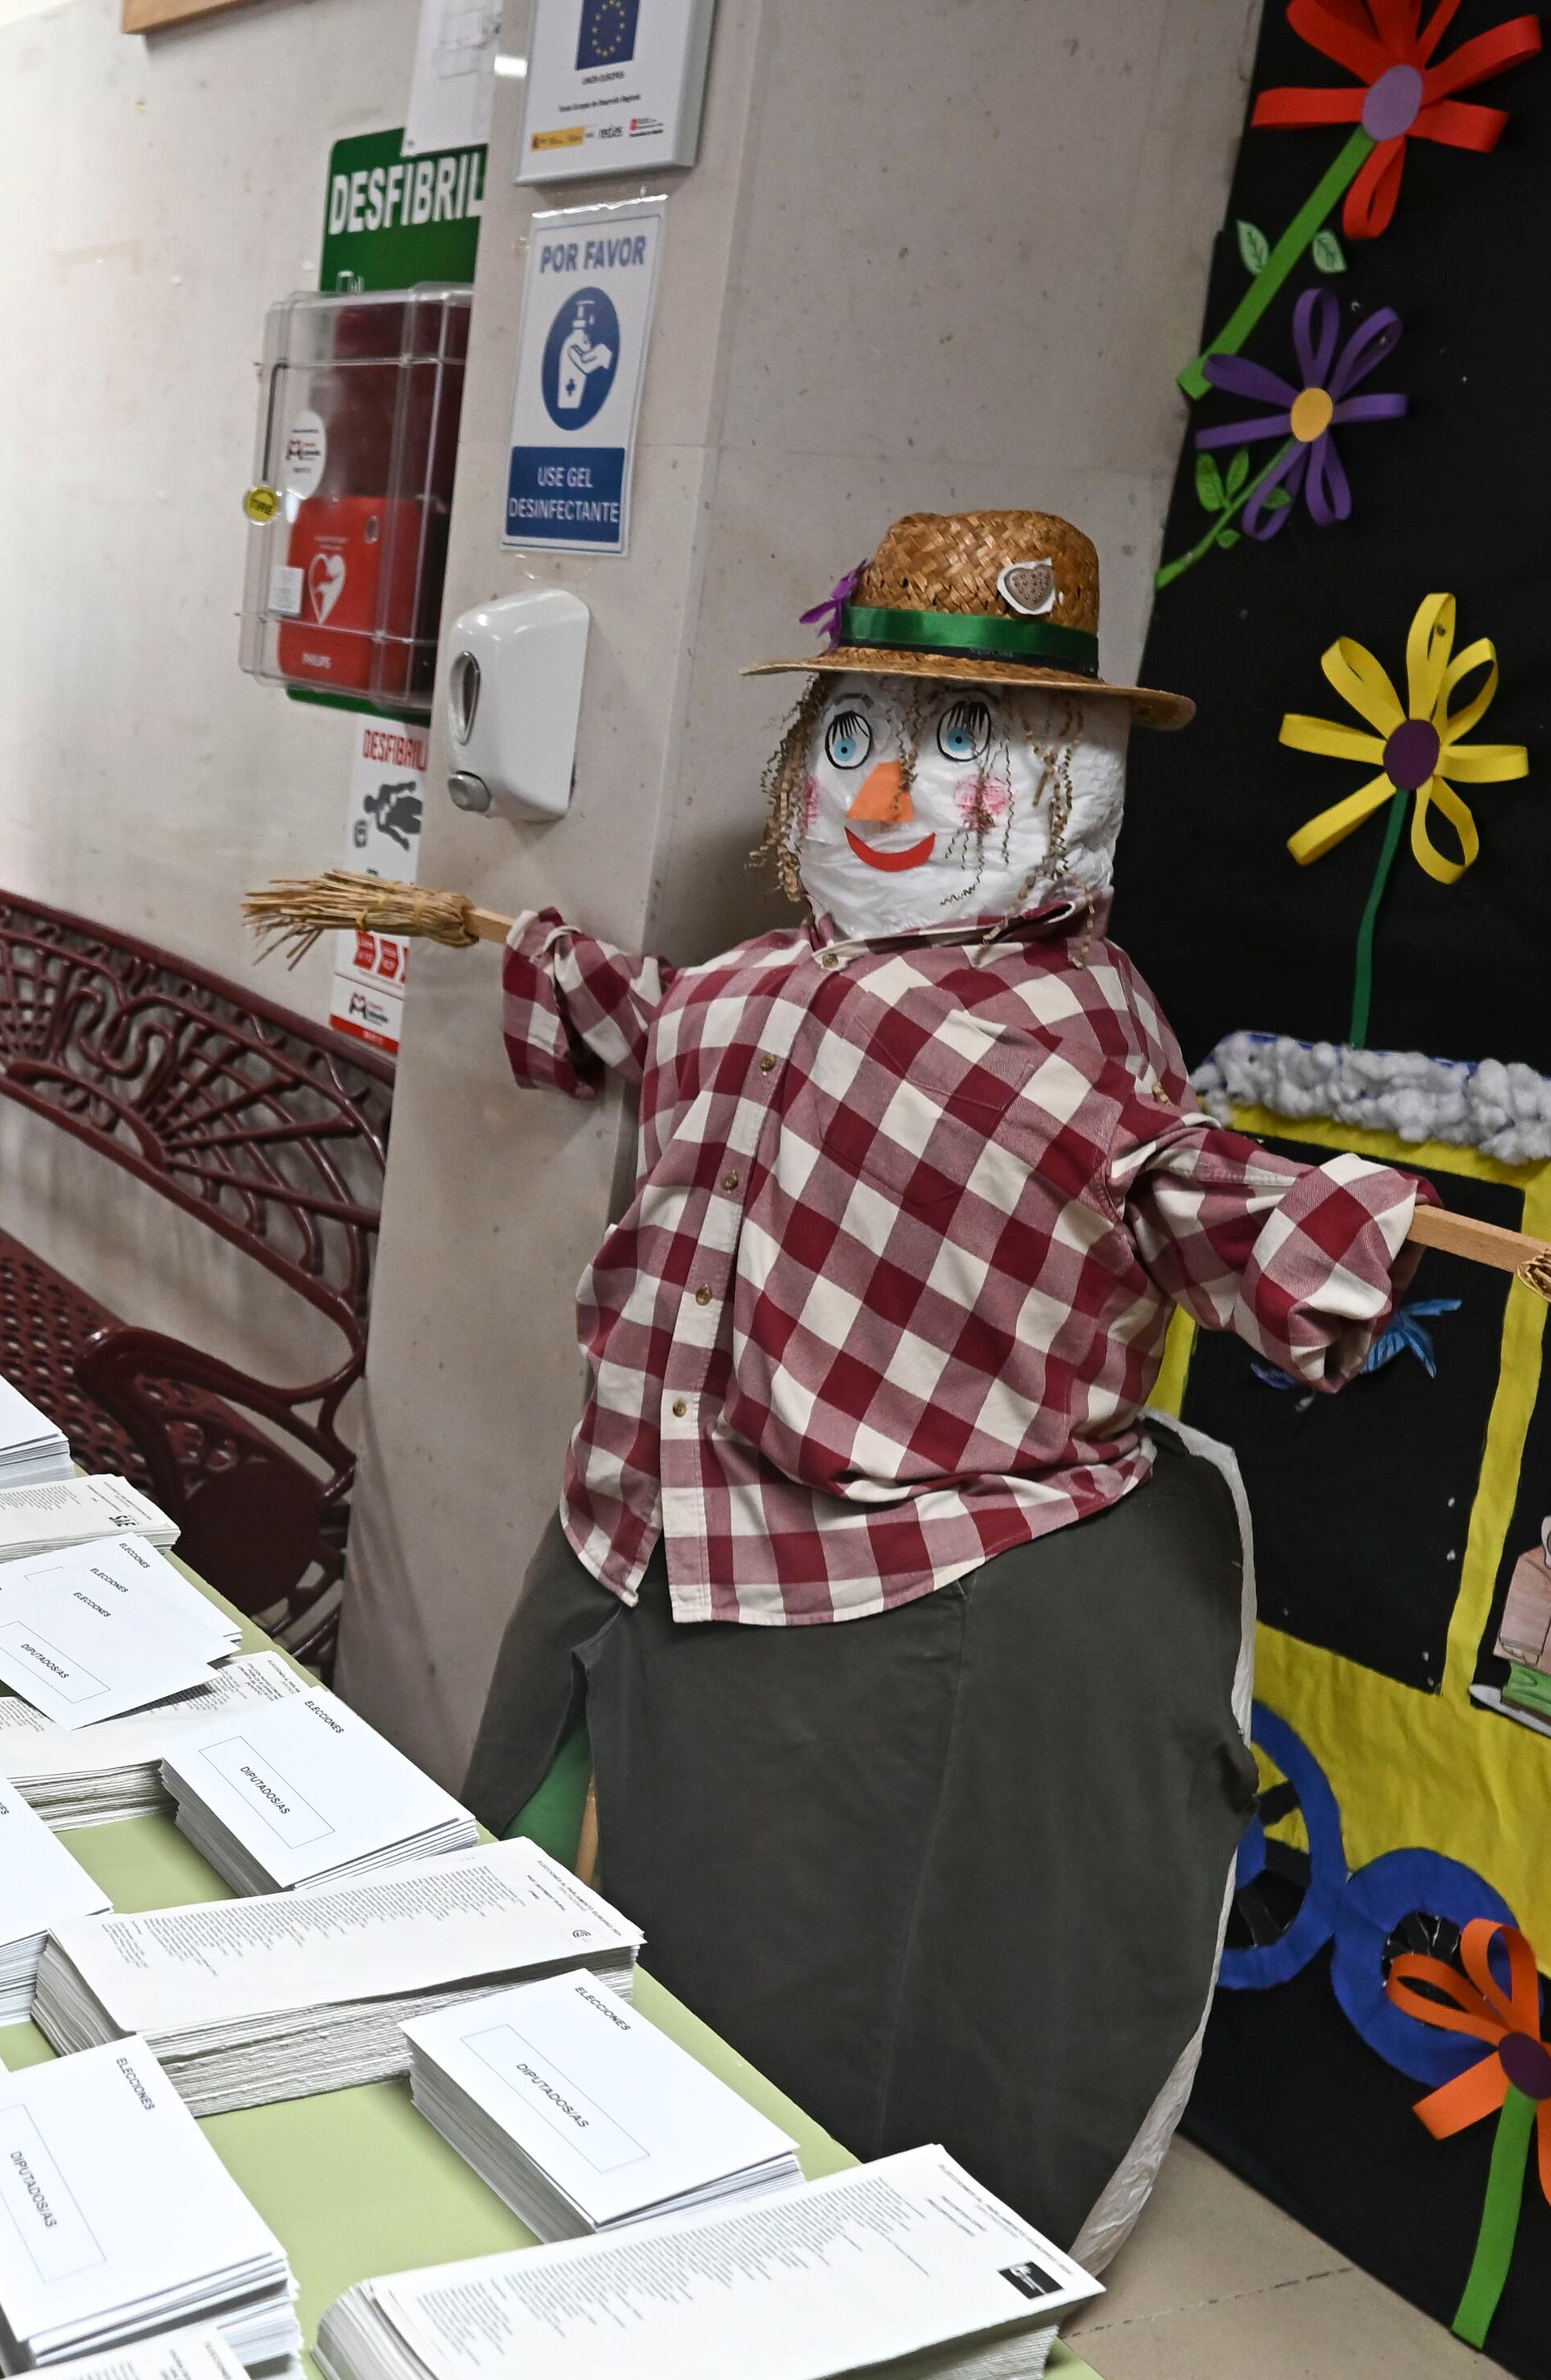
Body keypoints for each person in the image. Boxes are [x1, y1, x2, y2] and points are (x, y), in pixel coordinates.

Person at [434, 512, 1434, 2268]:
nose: (886, 793)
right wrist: (574, 982)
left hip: (871, 1563)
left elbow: (1173, 1191)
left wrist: (1287, 1227)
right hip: (633, 1517)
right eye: (854, 736)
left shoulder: (1069, 1031)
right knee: (538, 1863)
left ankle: (728, 2241)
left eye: (959, 744)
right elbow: (680, 1023)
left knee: (784, 1965)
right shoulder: (755, 985)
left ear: (1067, 778)